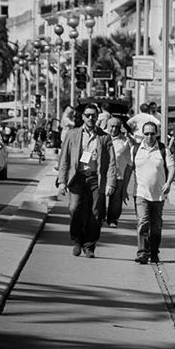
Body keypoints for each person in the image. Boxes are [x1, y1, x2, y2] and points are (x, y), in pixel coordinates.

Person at [57, 104, 117, 258]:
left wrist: (110, 183)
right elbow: (64, 159)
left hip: (95, 179)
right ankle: (77, 240)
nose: (91, 118)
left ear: (97, 117)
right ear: (83, 117)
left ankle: (89, 246)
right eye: (88, 115)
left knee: (96, 214)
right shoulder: (73, 134)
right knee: (74, 209)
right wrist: (62, 181)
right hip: (77, 178)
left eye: (93, 115)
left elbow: (111, 162)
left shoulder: (104, 137)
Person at [128, 121, 175, 264]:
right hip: (141, 192)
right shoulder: (135, 149)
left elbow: (172, 168)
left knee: (156, 225)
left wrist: (168, 183)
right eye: (146, 133)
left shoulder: (163, 150)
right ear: (143, 134)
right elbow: (129, 169)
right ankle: (142, 252)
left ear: (157, 134)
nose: (149, 136)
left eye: (152, 133)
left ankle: (154, 252)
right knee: (143, 222)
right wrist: (124, 189)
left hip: (158, 194)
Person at [104, 117, 133, 227]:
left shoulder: (125, 141)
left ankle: (112, 219)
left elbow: (130, 163)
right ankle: (99, 216)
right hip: (103, 173)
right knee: (100, 197)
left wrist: (126, 185)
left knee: (116, 199)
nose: (114, 129)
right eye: (112, 126)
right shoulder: (102, 137)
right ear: (107, 126)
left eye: (117, 126)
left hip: (118, 174)